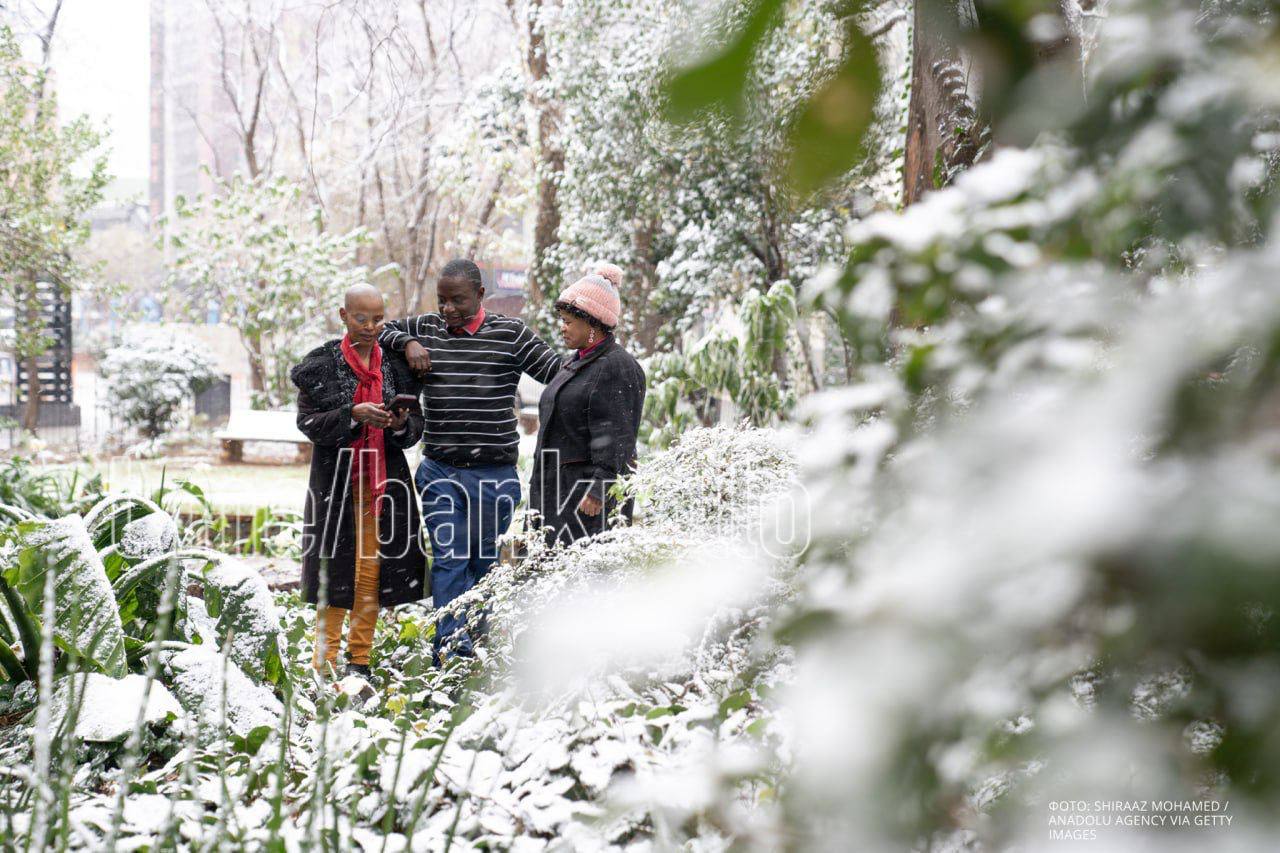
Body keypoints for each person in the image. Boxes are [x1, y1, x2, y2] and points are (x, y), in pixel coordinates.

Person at [378, 259, 561, 661]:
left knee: (481, 562)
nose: (448, 309)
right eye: (442, 300)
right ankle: (449, 649)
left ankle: (473, 639)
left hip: (493, 475)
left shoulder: (510, 335)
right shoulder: (425, 329)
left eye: (457, 300)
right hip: (440, 468)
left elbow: (557, 371)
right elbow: (379, 329)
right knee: (449, 558)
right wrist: (407, 344)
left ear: (480, 295)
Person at [291, 283, 427, 679]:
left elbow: (413, 427)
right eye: (362, 318)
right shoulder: (321, 366)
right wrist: (353, 414)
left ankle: (359, 661)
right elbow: (308, 423)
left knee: (372, 571)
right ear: (343, 316)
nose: (371, 326)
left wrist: (399, 424)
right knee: (334, 574)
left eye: (378, 318)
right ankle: (325, 662)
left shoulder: (395, 367)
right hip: (337, 483)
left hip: (384, 484)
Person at [529, 264, 646, 545]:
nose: (562, 327)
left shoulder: (617, 367)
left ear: (593, 323)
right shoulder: (577, 361)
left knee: (583, 581)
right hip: (557, 491)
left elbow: (619, 436)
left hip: (585, 502)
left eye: (568, 321)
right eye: (562, 319)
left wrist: (598, 488)